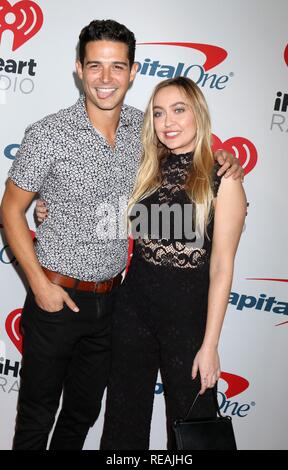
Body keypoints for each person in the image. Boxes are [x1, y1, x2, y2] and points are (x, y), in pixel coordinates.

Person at [1, 19, 243, 451]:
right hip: (56, 298)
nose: (106, 78)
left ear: (133, 72)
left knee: (81, 416)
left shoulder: (144, 132)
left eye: (118, 67)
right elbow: (10, 210)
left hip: (115, 303)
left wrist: (225, 159)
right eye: (95, 66)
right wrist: (39, 284)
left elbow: (192, 171)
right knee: (37, 418)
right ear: (79, 69)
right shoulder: (48, 133)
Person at [99, 77, 247, 450]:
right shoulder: (146, 167)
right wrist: (48, 206)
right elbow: (100, 205)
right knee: (123, 419)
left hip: (188, 320)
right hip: (133, 310)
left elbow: (221, 267)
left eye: (179, 110)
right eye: (159, 113)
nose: (168, 122)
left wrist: (210, 344)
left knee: (190, 429)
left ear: (198, 113)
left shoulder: (223, 178)